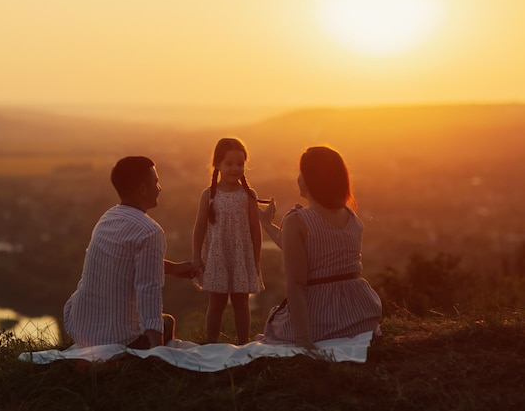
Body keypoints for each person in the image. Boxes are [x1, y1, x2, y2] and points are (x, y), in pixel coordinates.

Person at [258, 146, 382, 350]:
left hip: (320, 319)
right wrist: (267, 225)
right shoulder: (352, 217)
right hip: (361, 316)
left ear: (310, 179)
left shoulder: (296, 221)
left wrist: (303, 339)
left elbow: (296, 284)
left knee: (275, 326)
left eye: (301, 173)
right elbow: (311, 252)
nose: (297, 178)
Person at [63, 156, 194, 349]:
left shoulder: (107, 217)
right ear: (142, 189)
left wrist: (173, 269)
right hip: (116, 338)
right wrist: (157, 352)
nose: (159, 188)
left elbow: (125, 262)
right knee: (167, 322)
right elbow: (148, 291)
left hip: (80, 326)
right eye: (156, 182)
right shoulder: (151, 231)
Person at [192, 137, 264, 345]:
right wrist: (197, 257)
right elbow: (199, 228)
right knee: (216, 302)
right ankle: (211, 343)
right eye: (229, 164)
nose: (235, 168)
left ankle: (243, 344)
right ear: (217, 165)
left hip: (242, 256)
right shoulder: (209, 195)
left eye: (240, 164)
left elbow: (255, 231)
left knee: (241, 302)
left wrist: (256, 261)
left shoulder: (248, 195)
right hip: (217, 255)